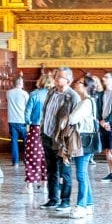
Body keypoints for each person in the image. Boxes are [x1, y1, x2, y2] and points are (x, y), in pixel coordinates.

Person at [39, 67, 79, 212]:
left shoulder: (73, 96)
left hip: (62, 140)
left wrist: (67, 140)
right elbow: (46, 113)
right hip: (47, 136)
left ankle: (65, 200)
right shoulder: (51, 92)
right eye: (56, 76)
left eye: (60, 77)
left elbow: (75, 121)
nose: (56, 79)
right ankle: (53, 199)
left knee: (65, 171)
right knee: (51, 170)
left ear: (68, 80)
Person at [68, 75, 99, 218]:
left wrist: (68, 116)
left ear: (86, 86)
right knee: (83, 173)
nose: (76, 83)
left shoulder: (86, 102)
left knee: (81, 174)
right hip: (84, 139)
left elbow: (73, 119)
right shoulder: (86, 101)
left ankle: (81, 205)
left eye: (79, 82)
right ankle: (89, 204)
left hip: (83, 140)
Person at [24, 72, 53, 190]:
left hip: (35, 128)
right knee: (46, 156)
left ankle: (30, 184)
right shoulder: (53, 95)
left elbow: (27, 113)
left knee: (32, 155)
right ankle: (45, 183)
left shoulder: (34, 94)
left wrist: (28, 123)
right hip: (49, 129)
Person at [6, 75, 29, 168]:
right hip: (22, 120)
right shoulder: (25, 94)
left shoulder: (8, 93)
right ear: (20, 83)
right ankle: (27, 160)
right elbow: (28, 107)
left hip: (12, 120)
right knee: (26, 141)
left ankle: (15, 162)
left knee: (14, 141)